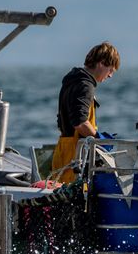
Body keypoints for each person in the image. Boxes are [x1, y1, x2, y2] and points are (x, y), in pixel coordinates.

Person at [50, 42, 120, 184]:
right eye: (110, 70)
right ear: (101, 63)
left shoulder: (72, 80)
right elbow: (79, 121)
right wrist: (98, 140)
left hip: (62, 150)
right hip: (74, 155)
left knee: (59, 196)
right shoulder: (85, 85)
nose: (110, 75)